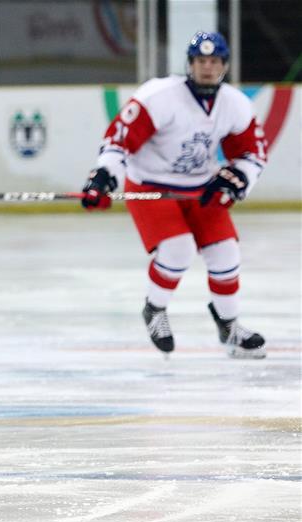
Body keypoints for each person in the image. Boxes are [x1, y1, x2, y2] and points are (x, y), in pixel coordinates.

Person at [81, 31, 267, 359]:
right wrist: (105, 174)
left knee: (227, 254)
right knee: (178, 249)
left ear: (224, 65)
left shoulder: (235, 104)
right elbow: (118, 139)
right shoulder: (160, 96)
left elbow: (252, 152)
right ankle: (155, 309)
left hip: (200, 189)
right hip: (151, 187)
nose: (207, 68)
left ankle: (229, 325)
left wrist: (239, 176)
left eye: (214, 61)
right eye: (200, 61)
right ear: (189, 64)